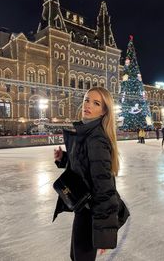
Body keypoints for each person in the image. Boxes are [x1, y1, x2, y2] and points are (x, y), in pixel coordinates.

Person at [53, 87, 129, 261]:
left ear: (104, 111)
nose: (88, 105)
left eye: (96, 103)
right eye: (87, 100)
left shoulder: (96, 139)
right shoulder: (88, 133)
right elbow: (85, 166)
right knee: (77, 256)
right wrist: (63, 158)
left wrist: (103, 236)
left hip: (91, 215)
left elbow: (104, 188)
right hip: (84, 210)